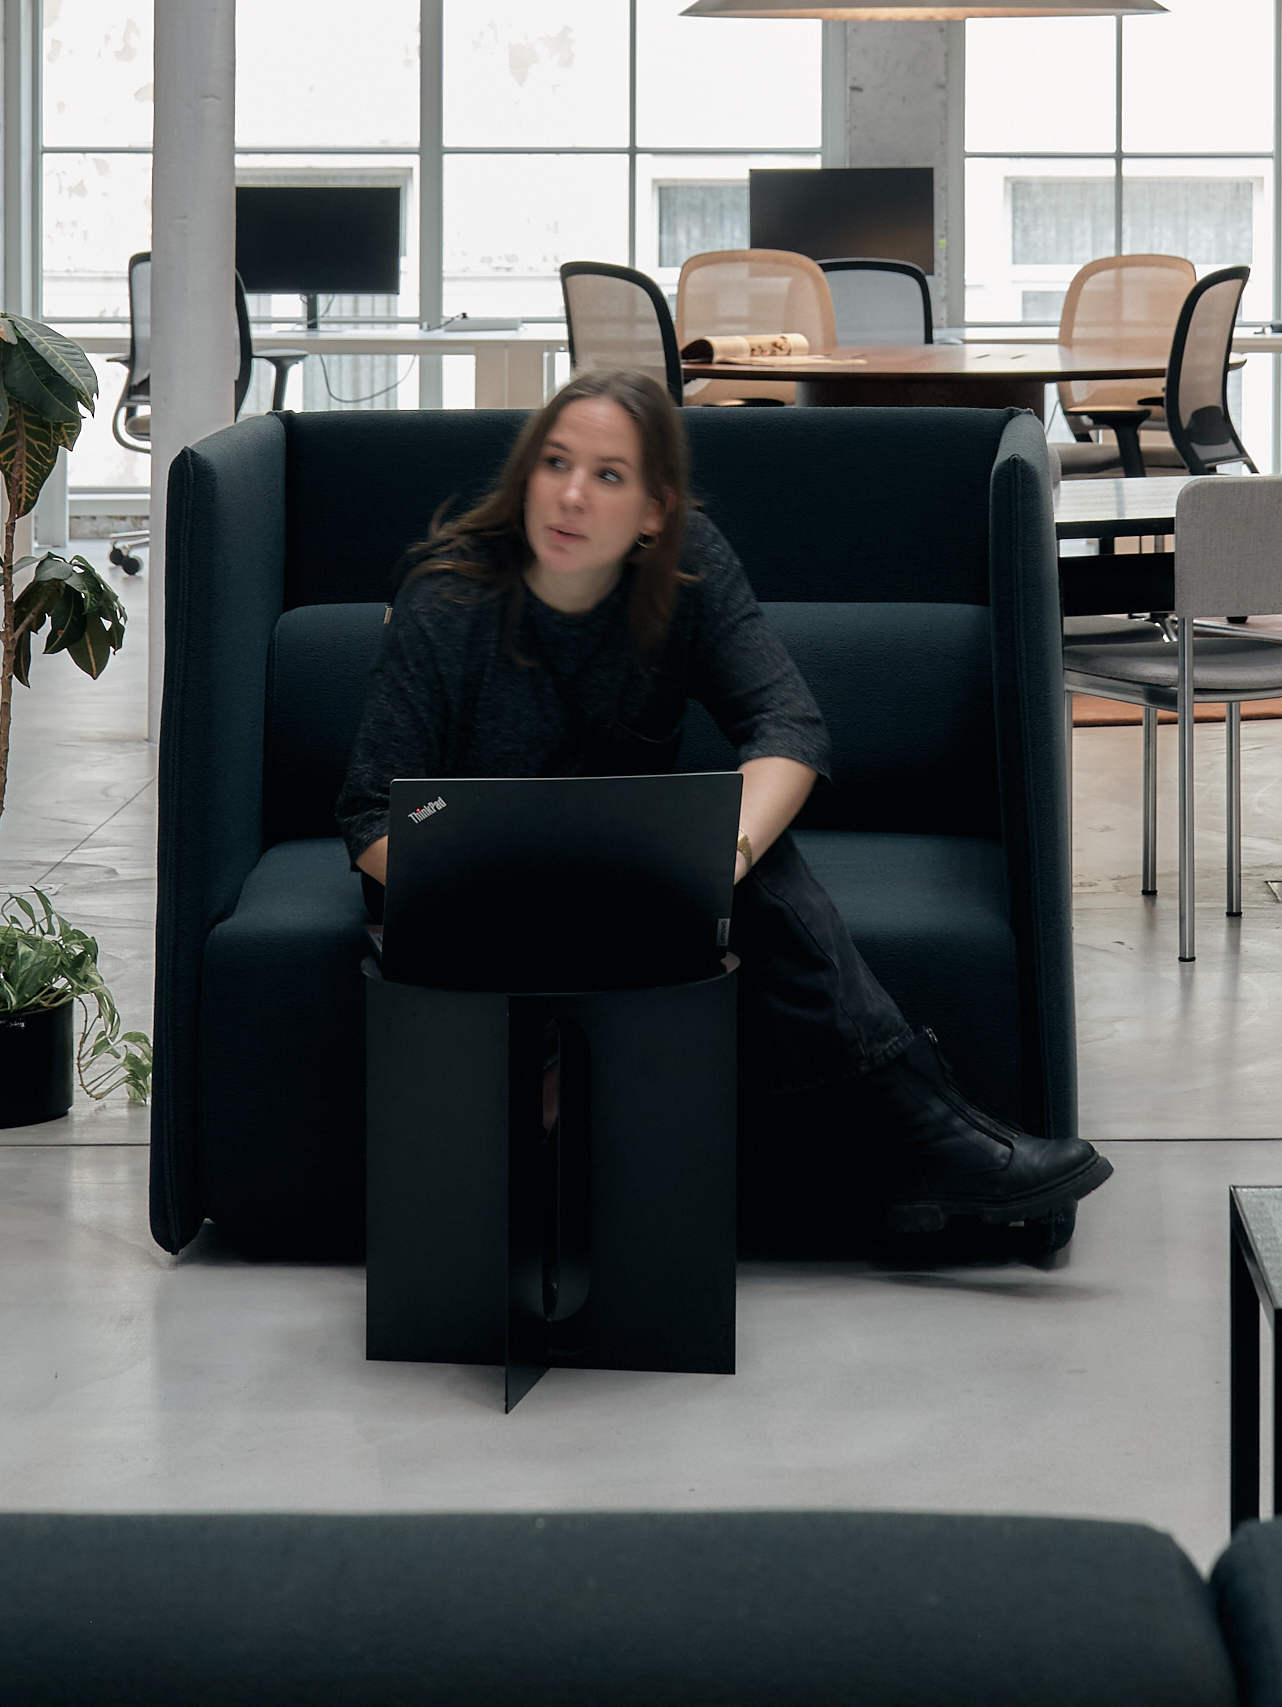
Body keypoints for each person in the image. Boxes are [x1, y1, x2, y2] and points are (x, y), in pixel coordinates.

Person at [337, 368, 1110, 1242]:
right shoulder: (449, 600)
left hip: (614, 874)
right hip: (460, 890)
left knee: (753, 862)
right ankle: (918, 1132)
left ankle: (914, 1134)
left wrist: (724, 855)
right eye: (554, 463)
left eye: (609, 475)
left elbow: (788, 725)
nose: (571, 495)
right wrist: (507, 887)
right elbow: (370, 821)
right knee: (736, 890)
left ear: (655, 513)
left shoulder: (687, 564)